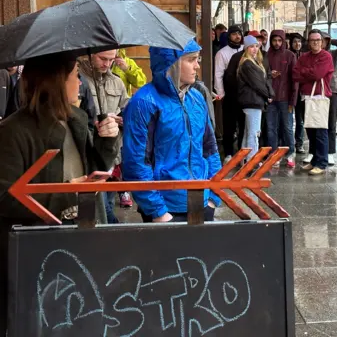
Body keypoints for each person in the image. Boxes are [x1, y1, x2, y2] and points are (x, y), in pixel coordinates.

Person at [0, 54, 119, 336]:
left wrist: (107, 141)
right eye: (74, 75)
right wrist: (67, 192)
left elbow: (96, 172)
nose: (79, 82)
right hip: (39, 253)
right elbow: (4, 197)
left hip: (85, 239)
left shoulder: (77, 118)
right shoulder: (12, 131)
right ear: (56, 81)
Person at [122, 39, 222, 223]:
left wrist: (214, 196)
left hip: (202, 201)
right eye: (191, 60)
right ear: (172, 62)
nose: (197, 66)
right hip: (166, 207)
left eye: (197, 59)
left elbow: (210, 148)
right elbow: (136, 161)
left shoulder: (196, 98)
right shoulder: (144, 102)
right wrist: (158, 211)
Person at [79, 50, 130, 219]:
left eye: (111, 59)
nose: (107, 64)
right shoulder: (78, 80)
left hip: (113, 154)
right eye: (102, 59)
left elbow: (126, 110)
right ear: (90, 54)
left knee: (108, 203)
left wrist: (122, 120)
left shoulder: (117, 82)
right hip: (89, 157)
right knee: (101, 210)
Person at [302, 32, 337, 166]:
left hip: (331, 91)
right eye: (315, 40)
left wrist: (334, 40)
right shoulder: (311, 55)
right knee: (313, 123)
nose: (319, 43)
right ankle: (313, 152)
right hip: (315, 92)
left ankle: (330, 152)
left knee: (330, 124)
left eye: (321, 40)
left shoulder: (332, 54)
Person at [293, 29, 334, 175]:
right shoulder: (304, 57)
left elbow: (318, 74)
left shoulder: (326, 56)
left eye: (318, 40)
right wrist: (309, 73)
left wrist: (307, 72)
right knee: (310, 130)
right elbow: (295, 74)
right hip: (306, 97)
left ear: (322, 42)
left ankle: (322, 163)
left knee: (320, 131)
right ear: (309, 42)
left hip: (319, 97)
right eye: (312, 40)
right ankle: (314, 160)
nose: (316, 42)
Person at [237, 36, 273, 161]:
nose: (255, 49)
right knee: (254, 134)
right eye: (251, 46)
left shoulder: (252, 62)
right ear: (246, 48)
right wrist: (268, 95)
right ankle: (252, 162)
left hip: (252, 101)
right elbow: (258, 84)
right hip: (252, 101)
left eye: (256, 46)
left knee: (249, 133)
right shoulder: (248, 63)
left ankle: (244, 160)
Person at [266, 30, 298, 168]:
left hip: (285, 98)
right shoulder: (266, 55)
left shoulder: (290, 55)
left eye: (280, 40)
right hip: (271, 98)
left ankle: (291, 152)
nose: (277, 43)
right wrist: (269, 74)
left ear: (284, 41)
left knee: (287, 127)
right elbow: (261, 74)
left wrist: (293, 100)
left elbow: (295, 79)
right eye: (274, 40)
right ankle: (274, 153)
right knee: (271, 127)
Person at [215, 25, 244, 163]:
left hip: (244, 94)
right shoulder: (222, 53)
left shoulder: (246, 50)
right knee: (229, 125)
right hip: (230, 94)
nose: (237, 36)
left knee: (244, 124)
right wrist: (221, 93)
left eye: (239, 34)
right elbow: (218, 75)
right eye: (234, 34)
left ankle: (242, 151)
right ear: (229, 36)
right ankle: (228, 153)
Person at [289, 33, 306, 153]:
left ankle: (299, 143)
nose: (297, 44)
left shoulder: (304, 56)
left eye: (299, 42)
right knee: (288, 119)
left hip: (302, 92)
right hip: (289, 92)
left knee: (300, 120)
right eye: (295, 42)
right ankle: (288, 142)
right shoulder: (288, 55)